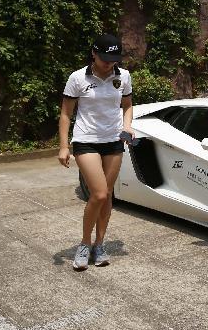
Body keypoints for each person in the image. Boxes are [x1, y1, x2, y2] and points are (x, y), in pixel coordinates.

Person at [58, 34, 133, 271]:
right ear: (93, 53)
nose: (108, 63)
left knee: (108, 194)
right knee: (99, 194)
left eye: (113, 59)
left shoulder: (123, 77)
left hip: (113, 140)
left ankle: (99, 244)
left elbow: (128, 106)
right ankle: (84, 243)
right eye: (104, 58)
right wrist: (63, 146)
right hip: (86, 140)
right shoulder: (77, 78)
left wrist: (127, 127)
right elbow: (66, 114)